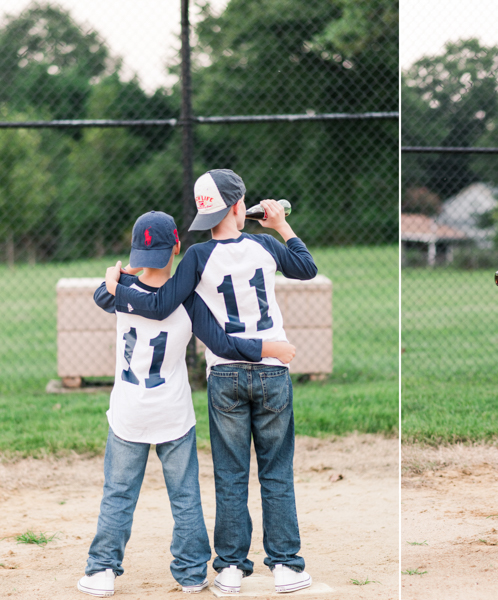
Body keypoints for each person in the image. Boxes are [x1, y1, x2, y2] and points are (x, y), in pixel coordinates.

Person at [103, 169, 317, 594]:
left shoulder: (198, 257)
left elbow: (162, 302)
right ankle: (287, 566)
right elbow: (306, 268)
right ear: (240, 207)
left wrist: (118, 285)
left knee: (231, 473)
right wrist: (280, 224)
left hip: (225, 374)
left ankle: (232, 567)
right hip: (274, 374)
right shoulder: (264, 244)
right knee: (276, 472)